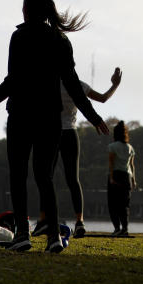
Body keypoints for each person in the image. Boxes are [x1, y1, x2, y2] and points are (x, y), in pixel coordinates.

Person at [0, 0, 108, 252]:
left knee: (18, 175)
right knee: (44, 177)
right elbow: (73, 84)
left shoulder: (19, 37)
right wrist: (93, 116)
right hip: (50, 118)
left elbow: (12, 82)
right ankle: (52, 237)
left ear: (26, 10)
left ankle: (22, 235)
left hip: (21, 116)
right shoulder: (60, 41)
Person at [32, 67, 122, 238]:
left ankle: (43, 219)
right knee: (73, 179)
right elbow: (102, 98)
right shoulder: (77, 84)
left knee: (46, 178)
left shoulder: (45, 83)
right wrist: (115, 85)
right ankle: (79, 222)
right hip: (70, 134)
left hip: (50, 133)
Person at [108, 120, 137, 236]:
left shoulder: (112, 146)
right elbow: (132, 165)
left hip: (116, 175)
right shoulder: (130, 147)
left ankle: (117, 228)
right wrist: (134, 180)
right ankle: (125, 228)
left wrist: (111, 177)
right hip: (127, 177)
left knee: (113, 204)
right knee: (125, 204)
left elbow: (111, 163)